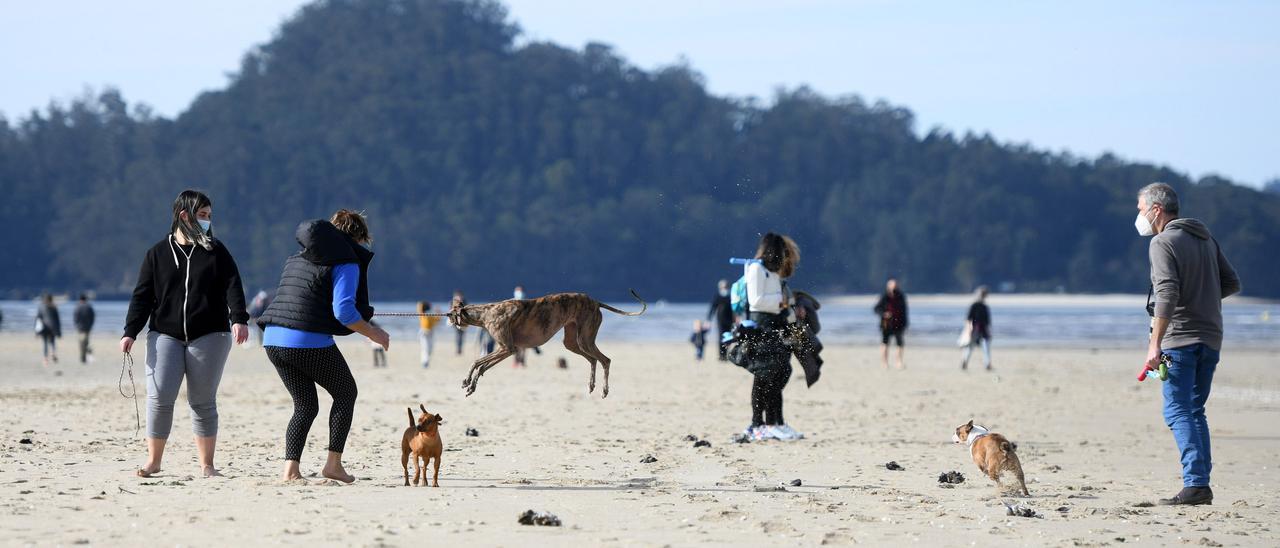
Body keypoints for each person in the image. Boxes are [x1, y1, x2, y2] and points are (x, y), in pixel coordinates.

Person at [120, 190, 250, 478]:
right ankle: (153, 462)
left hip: (210, 334)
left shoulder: (216, 251)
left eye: (208, 216)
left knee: (202, 400)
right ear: (184, 215)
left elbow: (233, 286)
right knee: (160, 396)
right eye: (202, 215)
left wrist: (239, 318)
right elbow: (142, 297)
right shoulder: (157, 253)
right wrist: (130, 332)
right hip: (165, 334)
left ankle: (207, 465)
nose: (206, 221)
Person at [257, 210, 390, 483]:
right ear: (356, 238)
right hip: (305, 341)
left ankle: (290, 471)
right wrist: (374, 334)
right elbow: (344, 313)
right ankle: (333, 465)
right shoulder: (346, 260)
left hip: (272, 339)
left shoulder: (296, 258)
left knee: (304, 405)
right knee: (346, 392)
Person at [1134, 182, 1240, 506]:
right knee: (1194, 410)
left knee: (1178, 410)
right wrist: (1201, 299)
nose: (1138, 217)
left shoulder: (1162, 242)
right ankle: (1200, 483)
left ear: (1156, 210)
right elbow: (1232, 282)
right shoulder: (1205, 238)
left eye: (1140, 210)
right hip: (1211, 337)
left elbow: (1166, 293)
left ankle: (1195, 483)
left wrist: (1155, 344)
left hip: (1180, 339)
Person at [739, 232, 803, 441]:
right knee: (765, 375)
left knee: (782, 371)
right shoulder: (757, 269)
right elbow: (756, 300)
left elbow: (778, 302)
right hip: (761, 326)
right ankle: (758, 424)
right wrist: (781, 301)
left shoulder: (772, 273)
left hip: (775, 325)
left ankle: (776, 422)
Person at [873, 278, 909, 369]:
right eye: (892, 286)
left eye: (895, 286)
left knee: (900, 343)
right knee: (885, 343)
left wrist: (905, 323)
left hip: (898, 323)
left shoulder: (901, 296)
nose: (894, 288)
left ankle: (899, 362)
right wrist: (884, 314)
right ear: (888, 287)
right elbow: (876, 309)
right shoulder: (884, 296)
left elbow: (905, 311)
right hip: (886, 323)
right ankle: (884, 363)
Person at [960, 286, 992, 370]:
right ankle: (965, 361)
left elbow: (987, 321)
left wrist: (988, 331)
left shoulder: (985, 307)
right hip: (974, 328)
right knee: (970, 347)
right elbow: (968, 318)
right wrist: (969, 329)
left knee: (986, 346)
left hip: (983, 329)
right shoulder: (974, 305)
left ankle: (987, 364)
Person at [707, 279, 735, 361]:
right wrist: (708, 319)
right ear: (720, 287)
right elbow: (713, 308)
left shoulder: (731, 296)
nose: (724, 288)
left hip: (730, 320)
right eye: (723, 287)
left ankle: (726, 354)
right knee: (721, 337)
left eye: (725, 286)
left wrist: (737, 318)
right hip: (720, 320)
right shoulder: (718, 296)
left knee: (728, 337)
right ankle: (721, 355)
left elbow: (735, 308)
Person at [36, 293, 62, 366]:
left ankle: (45, 359)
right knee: (52, 341)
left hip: (44, 327)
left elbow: (38, 319)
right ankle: (53, 353)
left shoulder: (41, 307)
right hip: (53, 327)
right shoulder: (54, 307)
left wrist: (36, 331)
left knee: (45, 343)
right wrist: (59, 331)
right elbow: (57, 320)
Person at [73, 293, 96, 364]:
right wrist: (91, 325)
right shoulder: (89, 307)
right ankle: (85, 356)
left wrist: (76, 325)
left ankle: (83, 357)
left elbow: (75, 318)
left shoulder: (77, 307)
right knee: (85, 342)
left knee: (81, 342)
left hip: (80, 328)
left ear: (80, 299)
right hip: (87, 328)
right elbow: (93, 317)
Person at [417, 301, 440, 368]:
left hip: (431, 332)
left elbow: (437, 320)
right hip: (424, 332)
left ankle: (425, 361)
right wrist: (422, 304)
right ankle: (424, 362)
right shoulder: (423, 314)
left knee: (430, 349)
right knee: (425, 348)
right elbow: (419, 306)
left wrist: (438, 312)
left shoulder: (431, 314)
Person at [451, 290, 468, 355]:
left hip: (463, 321)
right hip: (456, 322)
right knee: (458, 335)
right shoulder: (453, 302)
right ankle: (458, 349)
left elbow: (467, 310)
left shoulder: (464, 301)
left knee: (461, 336)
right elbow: (451, 312)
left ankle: (459, 349)